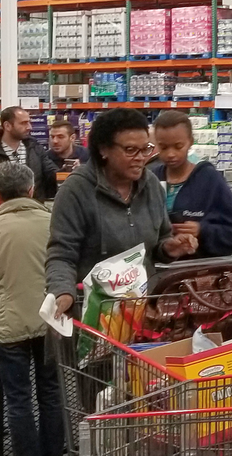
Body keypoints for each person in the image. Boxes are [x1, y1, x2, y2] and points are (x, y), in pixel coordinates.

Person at [47, 109, 198, 320]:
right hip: (92, 314)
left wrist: (170, 247)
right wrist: (62, 291)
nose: (140, 158)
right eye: (130, 150)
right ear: (104, 150)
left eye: (145, 149)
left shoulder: (151, 185)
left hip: (140, 313)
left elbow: (160, 240)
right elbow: (62, 254)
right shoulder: (76, 190)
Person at [0, 162, 65, 456]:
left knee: (17, 400)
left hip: (9, 322)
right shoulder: (52, 222)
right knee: (51, 393)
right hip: (50, 319)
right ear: (31, 190)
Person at [151, 111, 232, 259]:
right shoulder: (150, 179)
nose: (171, 154)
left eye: (178, 146)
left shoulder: (209, 180)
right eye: (163, 147)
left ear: (190, 141)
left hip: (198, 272)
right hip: (155, 272)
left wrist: (202, 230)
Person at [0, 106, 59, 202]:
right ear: (7, 126)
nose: (29, 127)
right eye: (23, 123)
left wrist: (68, 171)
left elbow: (52, 174)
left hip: (34, 209)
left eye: (29, 122)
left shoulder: (35, 148)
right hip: (3, 210)